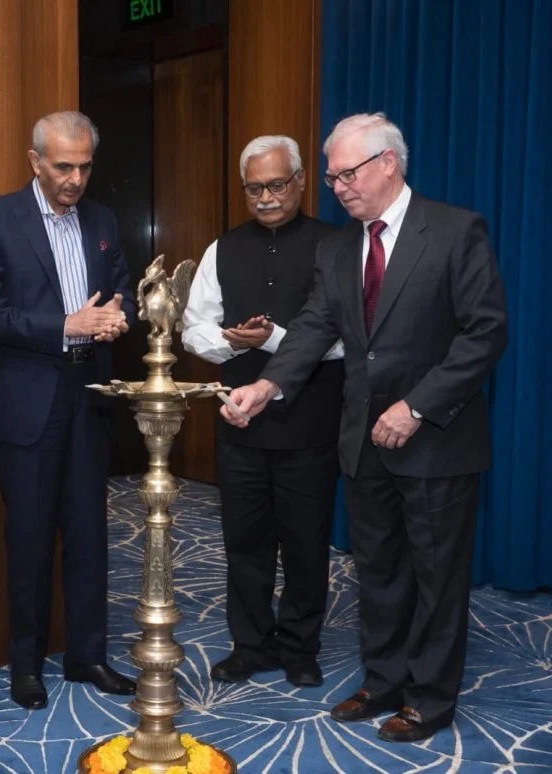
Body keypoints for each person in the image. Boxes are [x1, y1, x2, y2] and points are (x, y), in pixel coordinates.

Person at [221, 112, 508, 743]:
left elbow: (485, 333)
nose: (338, 187)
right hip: (363, 440)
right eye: (332, 178)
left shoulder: (455, 231)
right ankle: (383, 682)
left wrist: (417, 407)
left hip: (435, 439)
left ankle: (429, 699)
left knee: (435, 579)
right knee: (377, 571)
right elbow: (313, 329)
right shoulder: (338, 247)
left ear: (389, 164)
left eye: (347, 174)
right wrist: (268, 386)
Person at [0, 111, 137, 712]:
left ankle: (88, 654)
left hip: (91, 397)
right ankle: (26, 664)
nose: (76, 179)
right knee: (30, 540)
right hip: (28, 403)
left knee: (90, 535)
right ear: (35, 160)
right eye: (64, 166)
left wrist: (117, 316)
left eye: (85, 167)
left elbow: (123, 289)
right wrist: (67, 325)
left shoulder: (103, 219)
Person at [181, 135, 343, 688]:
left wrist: (273, 339)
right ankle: (249, 645)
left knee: (305, 544)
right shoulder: (223, 248)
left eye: (276, 185)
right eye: (254, 188)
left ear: (301, 181)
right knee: (244, 544)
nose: (266, 197)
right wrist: (230, 343)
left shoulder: (335, 245)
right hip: (239, 422)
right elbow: (193, 328)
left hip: (310, 422)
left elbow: (346, 340)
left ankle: (300, 647)